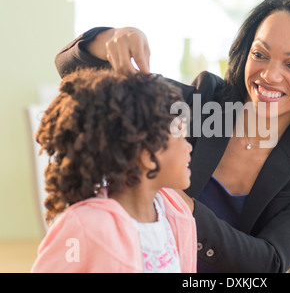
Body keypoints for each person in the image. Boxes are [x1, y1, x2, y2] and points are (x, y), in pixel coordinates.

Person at [54, 0, 290, 272]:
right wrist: (111, 38)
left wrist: (184, 209)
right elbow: (75, 71)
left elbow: (270, 263)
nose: (270, 75)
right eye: (259, 54)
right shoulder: (201, 101)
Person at [31, 69, 196, 273]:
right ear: (148, 155)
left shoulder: (174, 213)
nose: (189, 147)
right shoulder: (86, 226)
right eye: (181, 137)